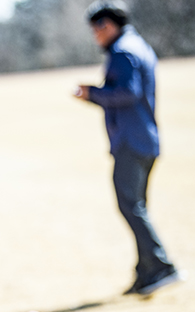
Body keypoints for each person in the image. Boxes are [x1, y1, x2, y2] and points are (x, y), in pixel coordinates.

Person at [75, 1, 183, 295]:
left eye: (96, 29)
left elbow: (128, 92)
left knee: (130, 206)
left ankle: (161, 265)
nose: (95, 35)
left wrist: (91, 93)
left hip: (131, 143)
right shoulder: (138, 45)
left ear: (107, 25)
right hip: (145, 140)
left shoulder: (122, 51)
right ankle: (146, 272)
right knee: (136, 207)